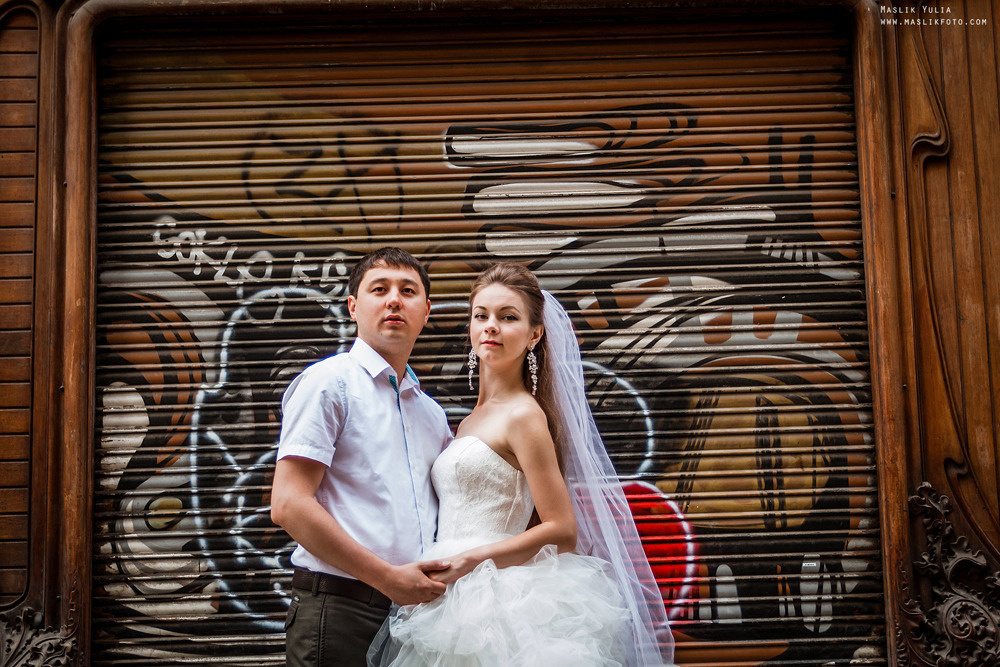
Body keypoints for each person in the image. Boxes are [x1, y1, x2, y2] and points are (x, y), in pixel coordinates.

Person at [369, 263, 674, 666]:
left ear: (535, 334)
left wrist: (472, 560)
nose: (490, 326)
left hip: (499, 600)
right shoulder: (469, 420)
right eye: (481, 315)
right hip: (448, 594)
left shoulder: (524, 415)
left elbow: (562, 530)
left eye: (507, 317)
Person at [271, 247, 454, 667]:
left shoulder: (432, 414)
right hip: (340, 610)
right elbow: (288, 505)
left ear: (426, 312)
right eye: (379, 288)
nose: (394, 299)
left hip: (415, 618)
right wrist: (389, 580)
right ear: (354, 307)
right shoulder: (329, 384)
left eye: (408, 290)